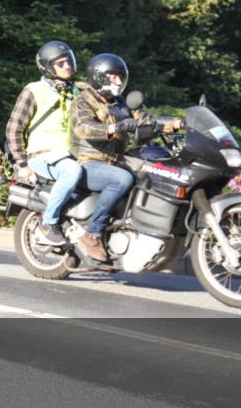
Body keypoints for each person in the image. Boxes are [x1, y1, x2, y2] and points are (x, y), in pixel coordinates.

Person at [70, 53, 182, 261]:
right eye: (114, 77)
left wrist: (175, 124)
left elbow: (147, 121)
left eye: (121, 77)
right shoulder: (83, 100)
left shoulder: (121, 102)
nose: (119, 82)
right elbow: (83, 128)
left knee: (151, 173)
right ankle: (92, 233)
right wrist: (115, 128)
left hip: (115, 161)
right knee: (122, 179)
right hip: (89, 162)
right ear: (100, 77)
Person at [5, 41, 83, 245]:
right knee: (71, 171)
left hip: (69, 154)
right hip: (41, 156)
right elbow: (14, 129)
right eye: (61, 63)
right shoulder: (34, 90)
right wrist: (22, 164)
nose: (68, 66)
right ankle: (48, 222)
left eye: (69, 61)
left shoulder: (75, 93)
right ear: (48, 67)